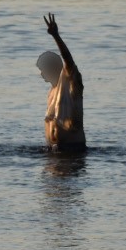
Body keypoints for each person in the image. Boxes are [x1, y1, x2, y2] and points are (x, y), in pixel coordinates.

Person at [36, 13, 86, 153]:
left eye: (44, 68)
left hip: (73, 150)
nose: (42, 73)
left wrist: (56, 36)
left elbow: (68, 60)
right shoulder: (51, 92)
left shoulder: (71, 82)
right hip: (54, 151)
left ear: (55, 66)